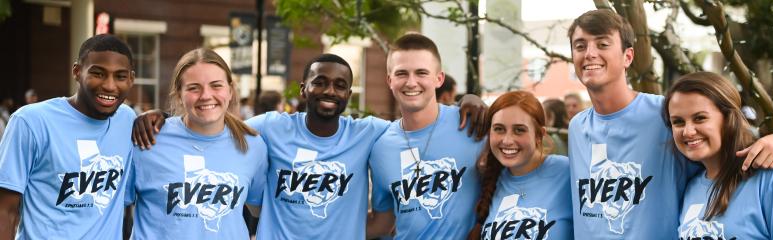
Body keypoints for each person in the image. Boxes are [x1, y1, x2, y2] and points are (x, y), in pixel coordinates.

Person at [130, 53, 487, 239]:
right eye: (320, 82)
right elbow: (214, 123)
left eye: (339, 85)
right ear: (303, 89)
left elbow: (416, 124)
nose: (329, 91)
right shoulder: (268, 128)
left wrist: (471, 99)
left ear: (349, 94)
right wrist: (162, 115)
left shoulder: (369, 133)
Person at [566, 9, 773, 239]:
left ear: (628, 57)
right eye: (580, 46)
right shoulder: (577, 127)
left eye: (602, 44)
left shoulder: (666, 114)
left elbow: (728, 143)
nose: (590, 53)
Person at [0, 34, 137, 239]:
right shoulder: (31, 121)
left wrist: (159, 116)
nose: (109, 85)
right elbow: (5, 210)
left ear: (131, 79)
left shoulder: (128, 120)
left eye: (120, 76)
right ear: (77, 71)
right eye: (98, 73)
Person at [124, 48, 267, 239]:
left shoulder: (252, 146)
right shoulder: (148, 138)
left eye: (216, 86)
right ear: (179, 95)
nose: (206, 95)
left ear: (231, 91)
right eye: (194, 88)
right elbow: (110, 210)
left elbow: (263, 211)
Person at [367, 33, 485, 239]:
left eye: (421, 73)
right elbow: (383, 222)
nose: (411, 82)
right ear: (389, 80)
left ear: (439, 78)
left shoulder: (470, 124)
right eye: (402, 73)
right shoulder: (381, 148)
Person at [663, 72, 773, 239]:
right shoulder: (690, 188)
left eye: (700, 118)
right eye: (678, 122)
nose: (688, 131)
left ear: (728, 119)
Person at [467, 91, 572, 240]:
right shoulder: (487, 179)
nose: (507, 140)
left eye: (519, 130)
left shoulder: (567, 172)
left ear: (539, 135)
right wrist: (468, 99)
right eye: (499, 129)